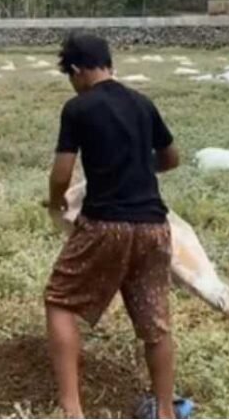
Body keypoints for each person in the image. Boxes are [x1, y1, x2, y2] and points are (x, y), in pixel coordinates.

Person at [45, 34, 180, 419]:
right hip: (154, 227)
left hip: (107, 225)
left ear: (76, 70)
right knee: (155, 325)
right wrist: (137, 166)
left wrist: (57, 202)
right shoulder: (142, 103)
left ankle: (72, 410)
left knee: (59, 300)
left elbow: (62, 173)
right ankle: (166, 412)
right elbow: (171, 158)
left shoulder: (77, 108)